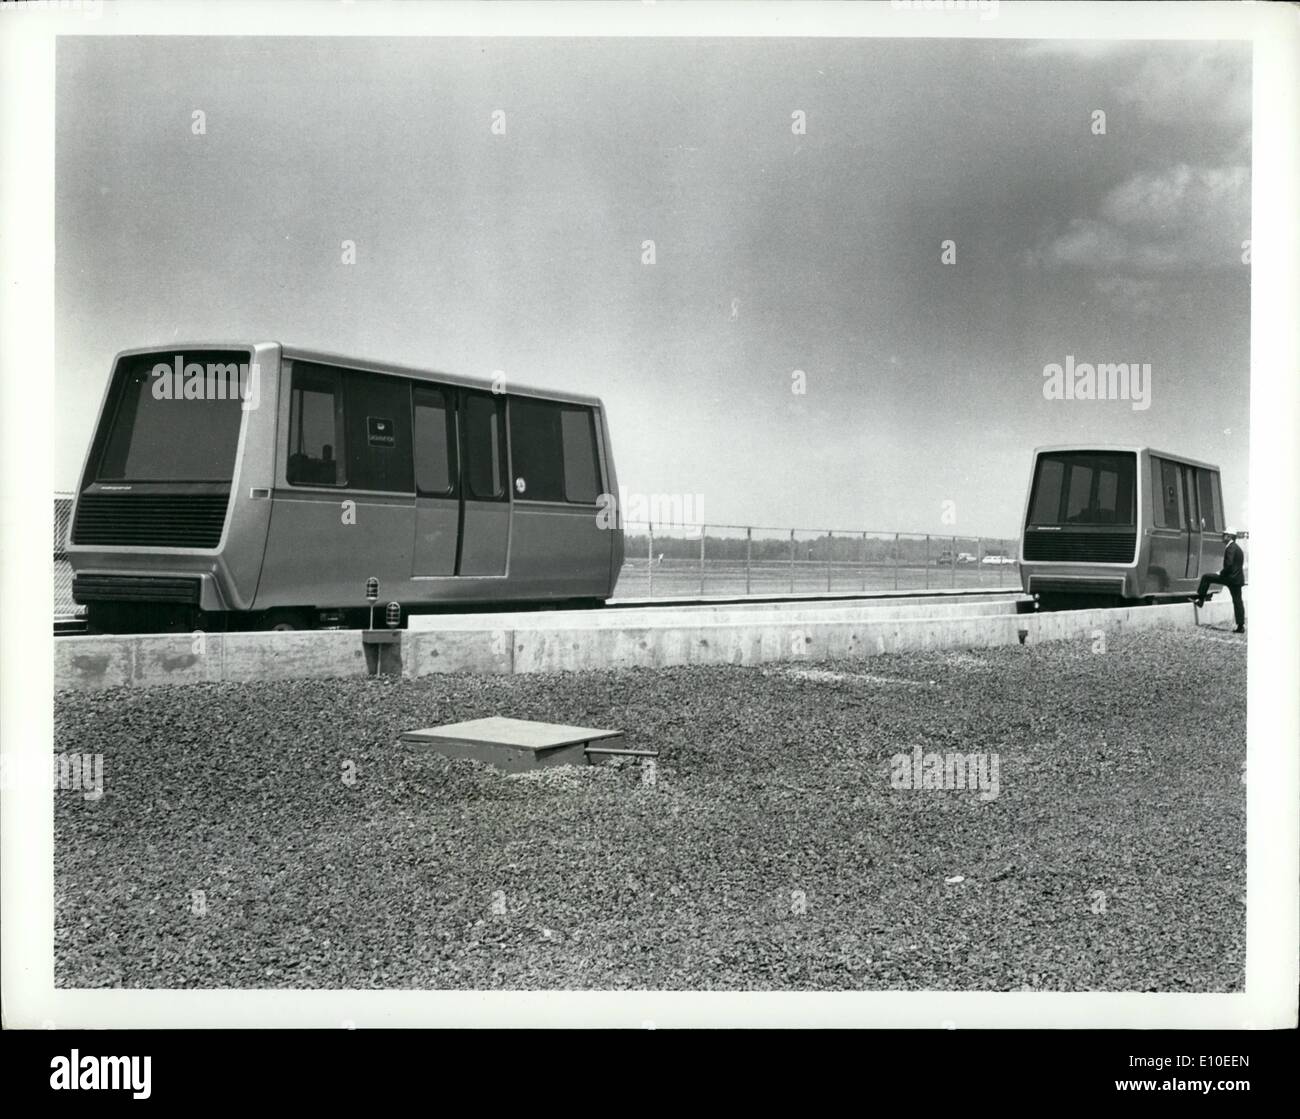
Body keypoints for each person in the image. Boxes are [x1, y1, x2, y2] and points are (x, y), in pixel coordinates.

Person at [1195, 527, 1246, 633]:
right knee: (1237, 602)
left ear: (1229, 537)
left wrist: (1221, 573)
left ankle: (1200, 600)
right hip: (1237, 580)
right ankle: (1240, 626)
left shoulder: (1230, 548)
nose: (1223, 537)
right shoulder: (1237, 548)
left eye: (1224, 535)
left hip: (1229, 578)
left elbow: (1229, 565)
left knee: (1206, 577)